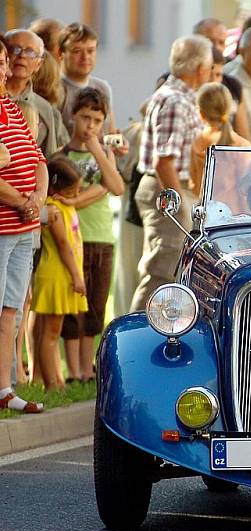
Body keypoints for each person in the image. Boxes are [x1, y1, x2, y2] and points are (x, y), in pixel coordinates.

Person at [130, 35, 212, 312]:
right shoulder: (175, 100)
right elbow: (164, 161)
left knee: (170, 271)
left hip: (171, 188)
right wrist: (177, 207)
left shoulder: (179, 97)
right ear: (200, 67)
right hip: (167, 190)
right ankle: (135, 337)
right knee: (161, 270)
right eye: (209, 65)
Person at [57, 87, 124, 383]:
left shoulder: (103, 154)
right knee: (73, 306)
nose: (90, 126)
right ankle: (73, 370)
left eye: (97, 120)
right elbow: (60, 194)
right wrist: (84, 197)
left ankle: (87, 369)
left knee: (96, 306)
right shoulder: (61, 154)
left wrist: (98, 149)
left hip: (101, 237)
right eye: (85, 118)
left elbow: (117, 186)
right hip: (72, 238)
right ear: (73, 115)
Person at [0, 38, 48, 413]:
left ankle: (4, 390)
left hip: (21, 228)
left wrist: (37, 200)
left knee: (10, 310)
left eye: (3, 62)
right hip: (4, 225)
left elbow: (38, 160)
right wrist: (22, 201)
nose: (4, 69)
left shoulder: (11, 109)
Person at [31, 156, 88, 390]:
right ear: (54, 188)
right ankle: (50, 383)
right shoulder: (53, 210)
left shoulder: (66, 206)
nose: (76, 195)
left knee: (54, 331)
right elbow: (63, 245)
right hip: (57, 273)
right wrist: (77, 276)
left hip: (64, 273)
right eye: (72, 191)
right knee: (51, 332)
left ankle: (57, 379)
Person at [5, 28, 69, 157]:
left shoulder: (45, 110)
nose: (22, 56)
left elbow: (52, 158)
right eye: (15, 49)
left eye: (30, 52)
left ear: (38, 64)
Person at [190, 82, 250, 199]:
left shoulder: (198, 143)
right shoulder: (242, 146)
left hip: (207, 213)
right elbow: (247, 192)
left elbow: (195, 188)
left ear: (201, 114)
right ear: (230, 108)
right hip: (235, 214)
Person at [56, 23, 117, 135]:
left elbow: (110, 132)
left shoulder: (102, 88)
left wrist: (119, 144)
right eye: (77, 51)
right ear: (61, 53)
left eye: (90, 51)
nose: (85, 57)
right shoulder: (54, 89)